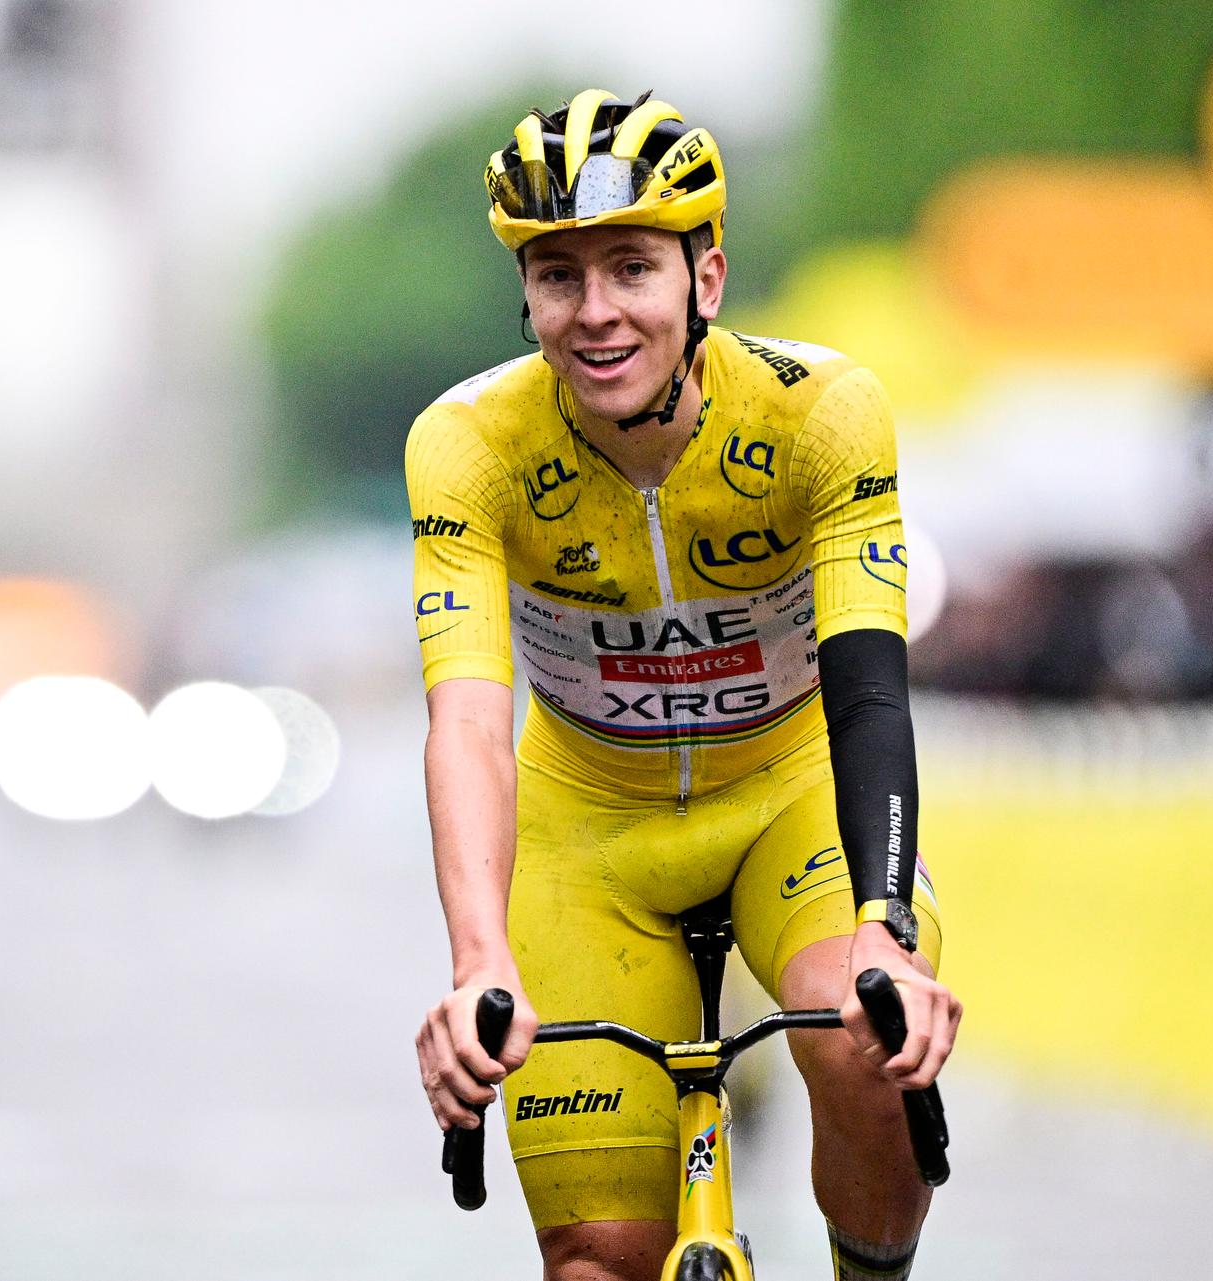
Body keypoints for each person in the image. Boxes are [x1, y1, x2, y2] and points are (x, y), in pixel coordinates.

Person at [407, 90, 963, 1281]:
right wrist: (477, 965)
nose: (596, 313)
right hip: (587, 834)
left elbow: (869, 691)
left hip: (788, 799)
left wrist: (889, 929)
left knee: (866, 1040)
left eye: (630, 269)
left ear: (705, 279)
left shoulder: (823, 412)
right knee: (599, 1258)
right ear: (527, 298)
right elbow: (467, 725)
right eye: (560, 278)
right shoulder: (467, 445)